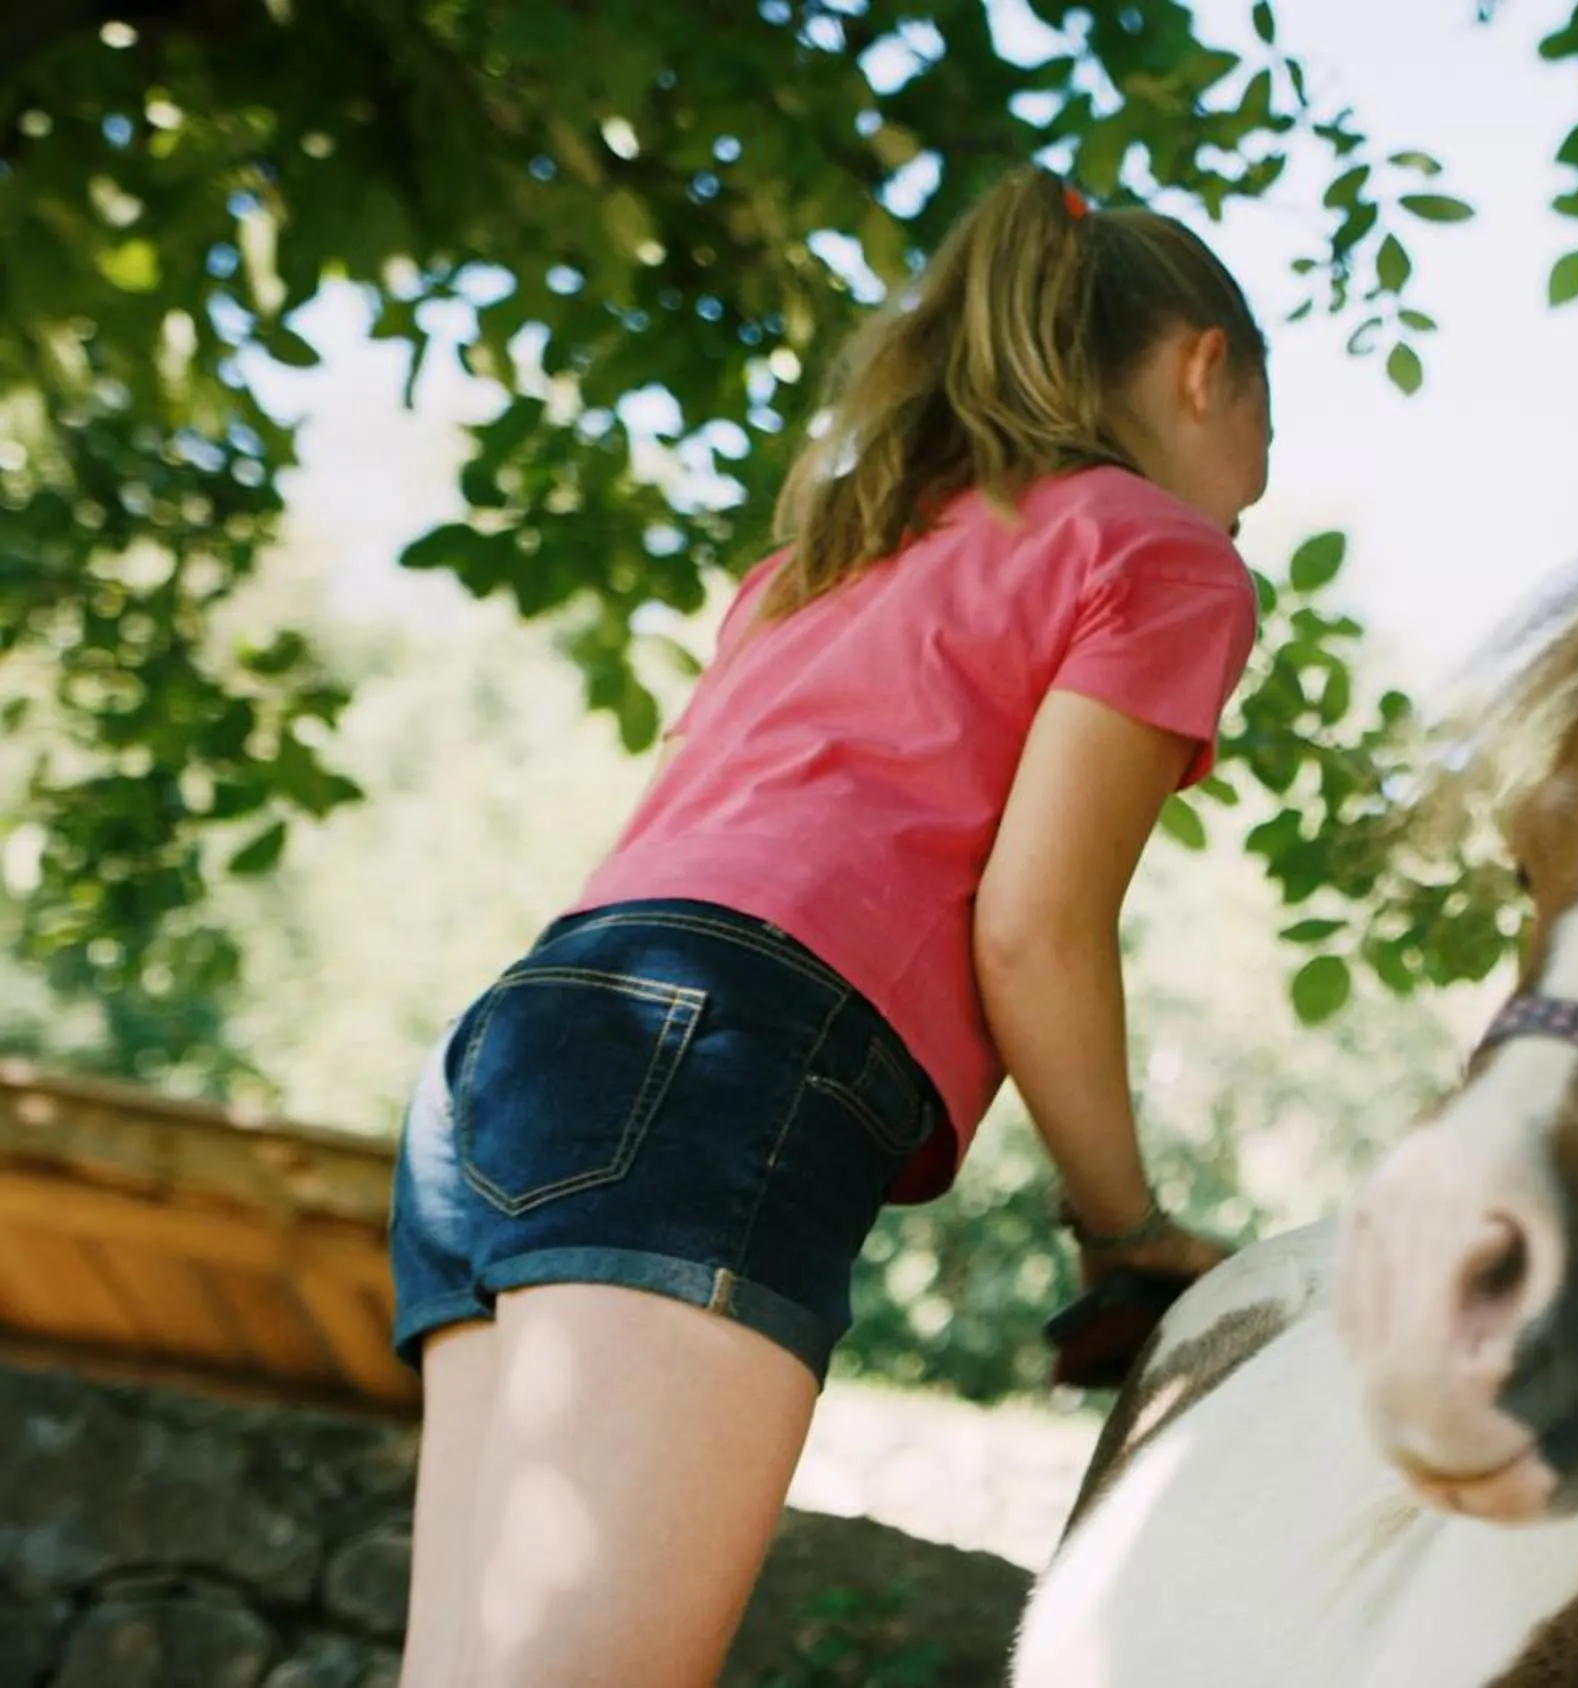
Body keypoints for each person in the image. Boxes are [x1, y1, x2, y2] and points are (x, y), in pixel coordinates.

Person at [388, 165, 1270, 1686]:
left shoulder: (825, 560)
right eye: (1267, 433)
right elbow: (1036, 927)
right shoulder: (1159, 551)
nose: (1253, 481)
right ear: (1204, 366)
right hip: (729, 1058)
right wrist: (1122, 1227)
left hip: (521, 1051)